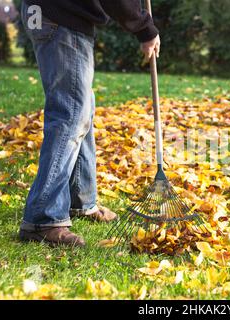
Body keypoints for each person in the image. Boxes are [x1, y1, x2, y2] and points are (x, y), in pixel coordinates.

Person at [18, 0, 160, 247]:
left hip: (49, 12)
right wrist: (144, 28)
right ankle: (43, 218)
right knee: (70, 115)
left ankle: (80, 200)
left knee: (79, 110)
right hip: (61, 16)